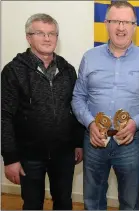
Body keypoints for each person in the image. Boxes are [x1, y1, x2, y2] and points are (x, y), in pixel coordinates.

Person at [71, 1, 139, 210]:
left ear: (134, 26)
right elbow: (78, 97)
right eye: (115, 21)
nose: (121, 28)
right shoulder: (89, 57)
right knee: (92, 202)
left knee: (130, 203)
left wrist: (135, 123)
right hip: (94, 140)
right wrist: (90, 124)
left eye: (126, 22)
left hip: (131, 142)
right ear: (106, 23)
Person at [1, 13, 84, 210]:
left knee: (64, 203)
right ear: (28, 37)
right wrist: (10, 158)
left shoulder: (68, 70)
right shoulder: (13, 71)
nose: (47, 38)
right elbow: (4, 116)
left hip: (64, 154)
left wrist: (78, 143)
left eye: (52, 34)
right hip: (29, 156)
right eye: (40, 33)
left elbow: (76, 108)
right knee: (32, 204)